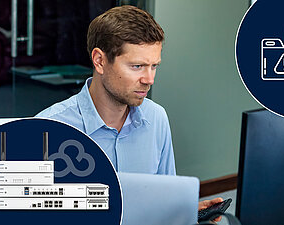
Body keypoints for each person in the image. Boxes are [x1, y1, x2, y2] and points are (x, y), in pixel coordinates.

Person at [36, 5, 222, 222]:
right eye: (137, 66)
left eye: (154, 66)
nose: (149, 79)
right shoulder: (49, 128)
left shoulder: (156, 118)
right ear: (99, 61)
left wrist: (183, 213)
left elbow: (162, 201)